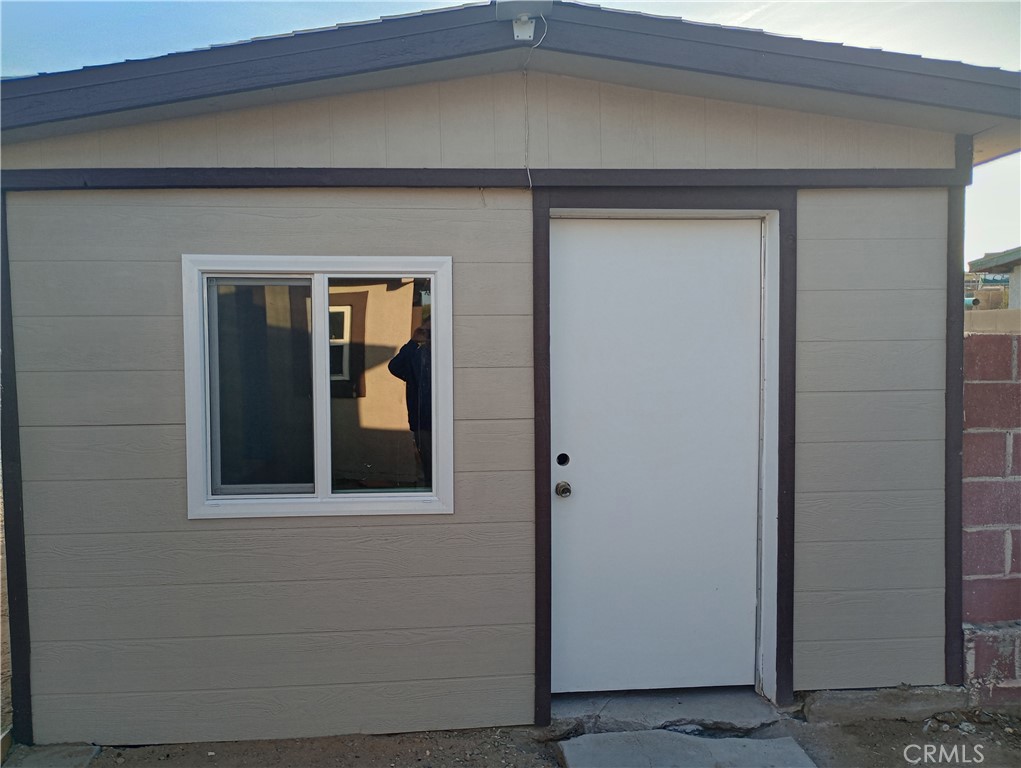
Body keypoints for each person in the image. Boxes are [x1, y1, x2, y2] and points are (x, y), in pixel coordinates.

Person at [388, 317, 432, 486]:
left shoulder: (447, 354)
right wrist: (413, 341)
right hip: (423, 421)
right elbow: (394, 367)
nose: (428, 336)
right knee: (429, 467)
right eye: (426, 332)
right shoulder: (417, 354)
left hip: (448, 420)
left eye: (431, 332)